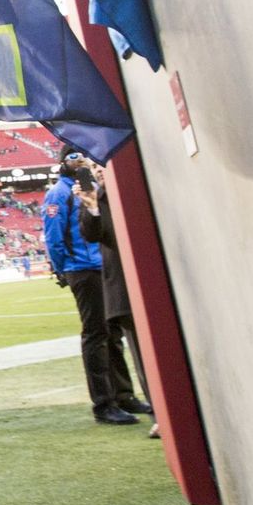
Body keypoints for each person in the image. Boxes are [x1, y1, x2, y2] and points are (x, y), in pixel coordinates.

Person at [43, 150, 141, 425]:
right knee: (96, 334)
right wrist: (63, 268)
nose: (82, 161)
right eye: (74, 156)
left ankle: (123, 395)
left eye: (84, 155)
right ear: (62, 161)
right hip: (81, 269)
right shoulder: (58, 193)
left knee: (113, 333)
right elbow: (53, 235)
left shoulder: (92, 188)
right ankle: (103, 403)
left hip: (102, 266)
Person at [75, 157, 153, 429]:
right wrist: (92, 207)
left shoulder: (135, 189)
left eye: (101, 167)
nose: (98, 172)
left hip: (149, 278)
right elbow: (91, 233)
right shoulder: (95, 199)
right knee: (142, 353)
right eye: (94, 169)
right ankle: (158, 413)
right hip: (119, 282)